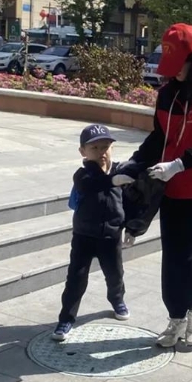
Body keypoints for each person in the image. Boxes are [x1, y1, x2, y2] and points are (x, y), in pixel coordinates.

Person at [119, 23, 192, 348]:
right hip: (171, 186)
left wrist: (178, 165)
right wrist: (134, 164)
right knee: (171, 256)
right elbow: (159, 137)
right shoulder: (168, 94)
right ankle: (175, 317)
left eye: (179, 66)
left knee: (187, 256)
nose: (175, 73)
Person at [52, 125, 136, 341]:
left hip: (111, 236)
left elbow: (131, 203)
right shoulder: (82, 175)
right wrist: (113, 180)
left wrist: (133, 228)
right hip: (84, 236)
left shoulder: (121, 172)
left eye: (106, 147)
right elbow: (92, 185)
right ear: (83, 151)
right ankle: (66, 318)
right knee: (76, 278)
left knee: (115, 274)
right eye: (95, 148)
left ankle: (117, 299)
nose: (101, 152)